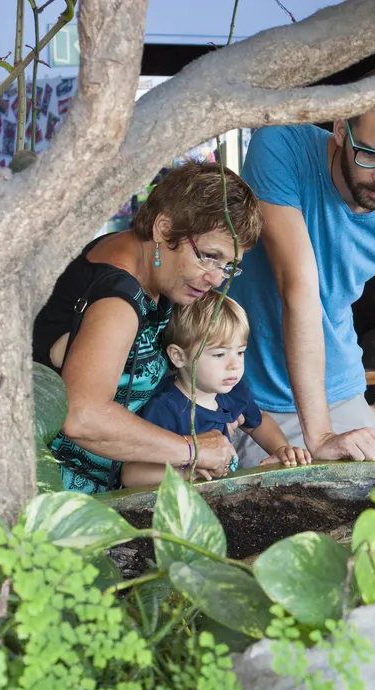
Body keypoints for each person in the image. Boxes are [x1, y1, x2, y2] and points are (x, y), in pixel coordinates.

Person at [228, 92, 375, 468]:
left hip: (339, 393)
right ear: (340, 130)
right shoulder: (282, 144)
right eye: (370, 154)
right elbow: (298, 287)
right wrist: (320, 437)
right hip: (237, 391)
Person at [32, 161, 262, 493]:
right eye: (209, 256)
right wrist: (191, 449)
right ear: (163, 229)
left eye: (228, 266)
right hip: (64, 498)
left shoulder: (152, 263)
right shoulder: (117, 302)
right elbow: (83, 415)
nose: (215, 278)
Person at [121, 293, 311, 488]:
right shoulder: (165, 408)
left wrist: (280, 448)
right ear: (178, 356)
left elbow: (257, 422)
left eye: (240, 352)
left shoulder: (233, 392)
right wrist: (186, 473)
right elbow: (131, 474)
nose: (235, 365)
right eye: (219, 354)